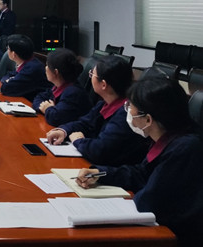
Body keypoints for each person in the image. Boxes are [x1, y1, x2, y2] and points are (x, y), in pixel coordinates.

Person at [76, 77, 203, 246]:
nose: (127, 111)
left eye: (130, 106)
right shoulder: (167, 137)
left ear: (148, 119)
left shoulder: (185, 148)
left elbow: (148, 202)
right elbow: (142, 173)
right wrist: (101, 174)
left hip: (176, 236)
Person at [46, 54, 150, 166]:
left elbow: (100, 150)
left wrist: (78, 141)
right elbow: (84, 123)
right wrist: (64, 131)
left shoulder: (125, 114)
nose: (90, 77)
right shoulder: (104, 104)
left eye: (92, 74)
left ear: (103, 84)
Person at [32, 48, 92, 126]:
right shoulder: (58, 86)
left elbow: (56, 118)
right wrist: (46, 108)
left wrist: (47, 109)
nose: (45, 68)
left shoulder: (73, 93)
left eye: (47, 65)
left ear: (56, 72)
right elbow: (38, 97)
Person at [0, 34, 51, 101]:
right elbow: (8, 76)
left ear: (13, 54)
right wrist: (9, 80)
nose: (7, 51)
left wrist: (9, 81)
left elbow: (6, 89)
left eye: (8, 49)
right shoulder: (29, 62)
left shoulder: (32, 68)